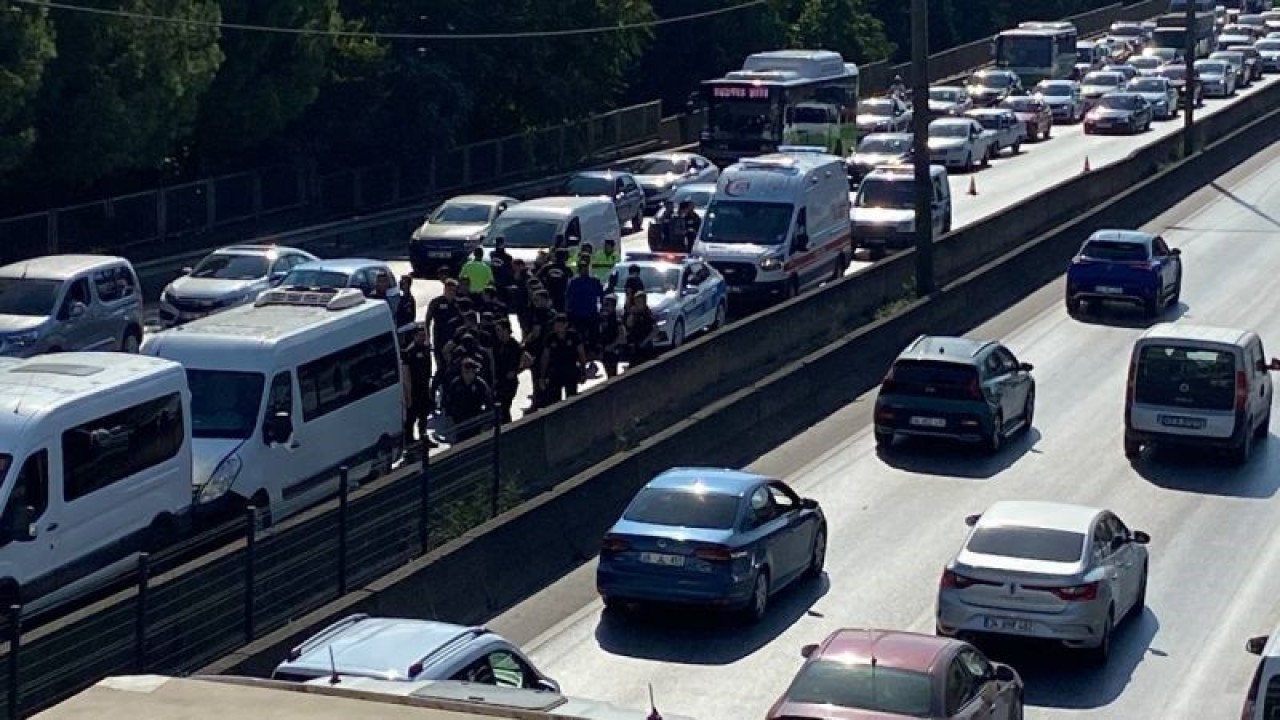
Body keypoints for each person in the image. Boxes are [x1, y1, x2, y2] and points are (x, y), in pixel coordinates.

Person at [539, 314, 587, 407]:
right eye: (556, 324)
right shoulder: (550, 338)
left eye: (560, 324)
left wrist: (583, 372)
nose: (557, 327)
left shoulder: (573, 336)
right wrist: (542, 376)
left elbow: (581, 354)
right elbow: (545, 357)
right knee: (554, 401)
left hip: (570, 370)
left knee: (572, 398)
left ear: (566, 325)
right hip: (555, 372)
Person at [401, 325, 436, 449]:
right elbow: (406, 374)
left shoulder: (426, 349)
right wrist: (408, 394)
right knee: (411, 416)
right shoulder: (409, 353)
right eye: (420, 335)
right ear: (414, 336)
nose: (423, 338)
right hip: (414, 389)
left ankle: (423, 436)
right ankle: (409, 441)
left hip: (424, 387)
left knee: (424, 414)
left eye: (424, 335)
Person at [492, 320, 531, 423]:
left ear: (506, 330)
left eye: (499, 330)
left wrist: (517, 370)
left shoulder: (514, 345)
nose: (498, 333)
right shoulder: (498, 344)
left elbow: (528, 360)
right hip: (499, 380)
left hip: (510, 382)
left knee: (505, 407)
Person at [445, 358, 492, 442]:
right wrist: (450, 417)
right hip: (460, 420)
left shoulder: (480, 385)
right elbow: (449, 401)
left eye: (471, 372)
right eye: (466, 372)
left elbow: (488, 401)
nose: (469, 375)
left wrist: (484, 419)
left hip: (475, 419)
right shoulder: (456, 384)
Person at [565, 260, 604, 343]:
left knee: (594, 337)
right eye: (582, 268)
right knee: (578, 337)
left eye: (586, 268)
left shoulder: (594, 281)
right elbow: (568, 298)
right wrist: (568, 311)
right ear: (579, 270)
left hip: (591, 313)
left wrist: (602, 309)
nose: (585, 270)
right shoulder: (574, 282)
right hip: (577, 314)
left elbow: (601, 296)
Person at [427, 279, 461, 369]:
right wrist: (428, 337)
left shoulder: (458, 304)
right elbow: (427, 321)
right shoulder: (436, 302)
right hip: (439, 338)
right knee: (440, 365)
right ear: (445, 289)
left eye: (454, 290)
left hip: (454, 339)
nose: (452, 293)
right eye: (449, 290)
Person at [624, 292, 659, 367]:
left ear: (644, 302)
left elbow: (655, 330)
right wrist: (632, 314)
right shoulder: (634, 313)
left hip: (645, 346)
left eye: (639, 302)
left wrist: (645, 341)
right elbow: (628, 324)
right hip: (634, 346)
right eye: (636, 302)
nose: (637, 304)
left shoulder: (648, 313)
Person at [594, 294, 624, 378]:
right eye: (604, 304)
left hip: (613, 350)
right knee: (608, 372)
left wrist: (612, 346)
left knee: (612, 373)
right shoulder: (603, 318)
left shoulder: (616, 320)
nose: (604, 307)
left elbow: (622, 336)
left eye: (607, 305)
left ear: (613, 306)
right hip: (605, 350)